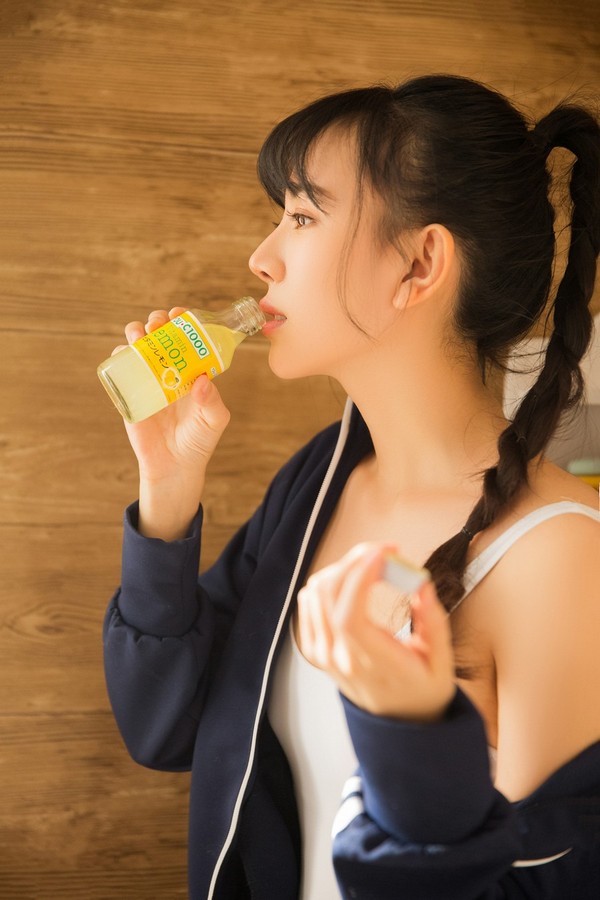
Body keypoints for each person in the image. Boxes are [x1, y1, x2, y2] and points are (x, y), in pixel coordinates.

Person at [103, 74, 600, 899]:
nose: (261, 258)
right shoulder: (321, 482)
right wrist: (167, 493)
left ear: (420, 263)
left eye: (302, 217)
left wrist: (412, 731)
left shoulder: (564, 559)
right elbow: (165, 729)